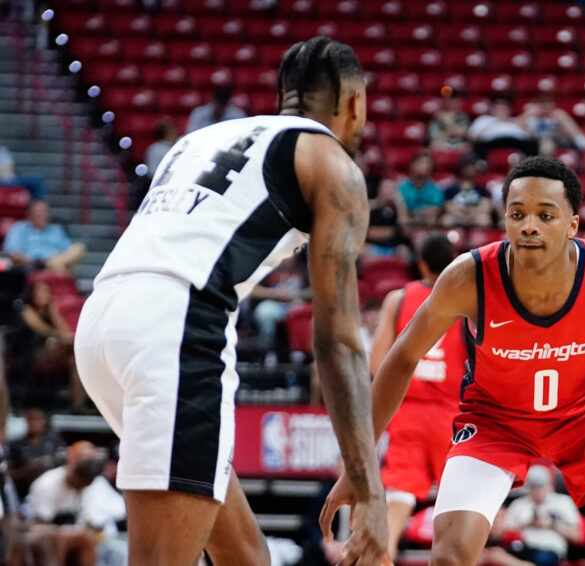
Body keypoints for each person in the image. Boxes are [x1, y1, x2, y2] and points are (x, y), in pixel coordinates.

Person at [322, 156, 585, 566]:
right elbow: (401, 359)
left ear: (572, 224)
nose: (529, 226)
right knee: (449, 555)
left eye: (545, 215)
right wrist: (357, 469)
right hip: (495, 423)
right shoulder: (468, 277)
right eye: (517, 213)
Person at [73, 36, 389, 566]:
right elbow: (338, 342)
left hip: (103, 320)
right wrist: (370, 491)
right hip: (174, 329)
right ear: (355, 103)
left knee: (246, 556)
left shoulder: (201, 138)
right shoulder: (333, 164)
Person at [367, 232, 466, 559]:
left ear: (420, 263)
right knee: (459, 510)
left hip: (406, 410)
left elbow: (377, 362)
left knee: (398, 501)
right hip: (451, 415)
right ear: (453, 261)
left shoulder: (399, 298)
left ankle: (383, 557)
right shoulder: (465, 303)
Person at [21, 441, 126, 566]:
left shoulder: (96, 484)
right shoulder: (47, 484)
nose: (80, 486)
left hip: (96, 540)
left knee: (120, 551)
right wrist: (68, 533)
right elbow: (39, 525)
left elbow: (117, 512)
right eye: (79, 481)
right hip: (54, 539)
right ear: (71, 466)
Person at [19, 280, 86, 410]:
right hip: (34, 353)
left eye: (46, 292)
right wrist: (64, 337)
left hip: (58, 350)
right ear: (32, 294)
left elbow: (65, 330)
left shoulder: (50, 309)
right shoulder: (27, 310)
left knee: (74, 361)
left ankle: (78, 405)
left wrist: (53, 312)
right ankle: (80, 346)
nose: (44, 295)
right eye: (40, 291)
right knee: (55, 342)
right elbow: (43, 330)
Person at [504, 465, 582, 566]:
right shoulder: (519, 504)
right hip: (522, 546)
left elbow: (576, 536)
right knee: (508, 552)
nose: (537, 492)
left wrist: (551, 524)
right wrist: (528, 523)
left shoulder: (563, 502)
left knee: (542, 559)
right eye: (533, 487)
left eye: (540, 487)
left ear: (549, 485)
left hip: (549, 548)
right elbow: (503, 532)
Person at [2, 200, 86, 274]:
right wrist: (34, 262)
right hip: (31, 265)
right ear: (29, 215)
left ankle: (53, 266)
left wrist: (57, 256)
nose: (41, 215)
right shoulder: (19, 228)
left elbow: (68, 251)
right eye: (37, 212)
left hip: (56, 260)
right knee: (60, 268)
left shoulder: (56, 230)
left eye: (44, 212)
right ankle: (59, 273)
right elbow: (13, 253)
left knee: (79, 247)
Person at [7, 408, 66, 499]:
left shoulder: (55, 443)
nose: (34, 423)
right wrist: (26, 470)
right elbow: (7, 473)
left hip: (51, 491)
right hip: (24, 491)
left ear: (44, 422)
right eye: (31, 419)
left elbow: (65, 466)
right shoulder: (16, 445)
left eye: (37, 420)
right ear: (26, 422)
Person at [521, 93, 585, 155]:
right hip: (533, 142)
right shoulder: (529, 116)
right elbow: (516, 130)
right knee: (546, 144)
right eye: (541, 102)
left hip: (557, 140)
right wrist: (527, 115)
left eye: (548, 102)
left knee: (548, 143)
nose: (545, 105)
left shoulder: (558, 115)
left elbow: (570, 130)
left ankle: (581, 142)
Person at [468, 95, 539, 159]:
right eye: (498, 107)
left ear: (509, 109)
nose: (501, 109)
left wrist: (518, 122)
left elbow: (530, 135)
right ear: (492, 108)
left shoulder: (517, 120)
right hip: (491, 144)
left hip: (517, 143)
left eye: (504, 107)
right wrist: (496, 122)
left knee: (532, 144)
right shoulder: (483, 119)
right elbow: (473, 137)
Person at [442, 153, 494, 228]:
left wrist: (471, 214)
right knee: (447, 219)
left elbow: (486, 207)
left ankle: (479, 239)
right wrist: (462, 217)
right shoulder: (451, 189)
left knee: (484, 219)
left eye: (473, 166)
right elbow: (448, 207)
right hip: (457, 217)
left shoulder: (481, 189)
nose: (471, 168)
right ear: (461, 168)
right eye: (468, 166)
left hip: (475, 217)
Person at [397, 151, 445, 226]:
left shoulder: (436, 189)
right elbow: (402, 210)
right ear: (413, 164)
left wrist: (416, 213)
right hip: (407, 223)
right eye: (421, 163)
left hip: (427, 223)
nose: (426, 166)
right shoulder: (402, 186)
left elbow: (434, 211)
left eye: (428, 164)